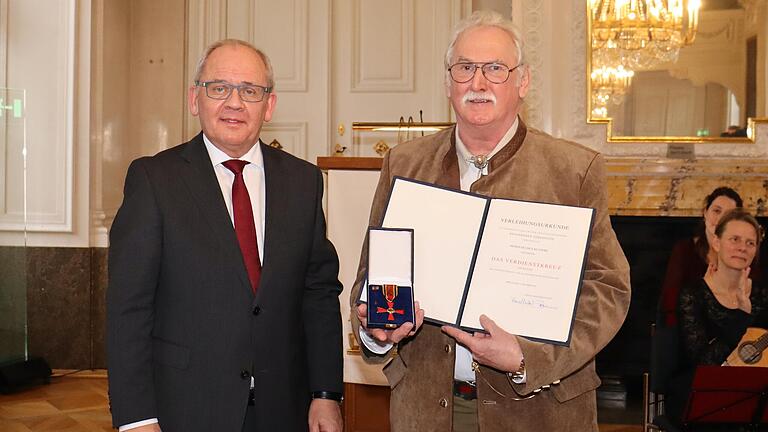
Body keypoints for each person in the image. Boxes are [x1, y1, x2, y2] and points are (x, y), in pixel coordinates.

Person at [350, 11, 631, 432]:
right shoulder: (404, 164)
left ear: (523, 82)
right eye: (464, 68)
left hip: (540, 413)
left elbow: (608, 289)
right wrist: (377, 328)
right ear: (448, 83)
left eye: (495, 69)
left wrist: (527, 358)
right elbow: (371, 277)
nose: (478, 83)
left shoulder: (573, 170)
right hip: (426, 412)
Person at [107, 39, 344, 432]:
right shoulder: (154, 180)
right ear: (194, 99)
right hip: (185, 407)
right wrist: (136, 419)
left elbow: (317, 296)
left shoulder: (303, 182)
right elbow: (128, 310)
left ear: (268, 106)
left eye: (250, 91)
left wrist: (326, 394)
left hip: (284, 407)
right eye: (219, 88)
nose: (234, 103)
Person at [668, 209, 768, 429]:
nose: (743, 247)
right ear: (716, 242)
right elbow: (704, 364)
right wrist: (741, 316)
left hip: (753, 397)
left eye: (751, 243)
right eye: (735, 239)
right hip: (699, 401)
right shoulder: (692, 295)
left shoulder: (763, 294)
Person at [659, 187, 745, 326]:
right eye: (716, 211)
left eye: (728, 214)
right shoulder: (684, 250)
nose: (720, 219)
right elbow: (669, 302)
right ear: (705, 212)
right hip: (687, 329)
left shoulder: (742, 254)